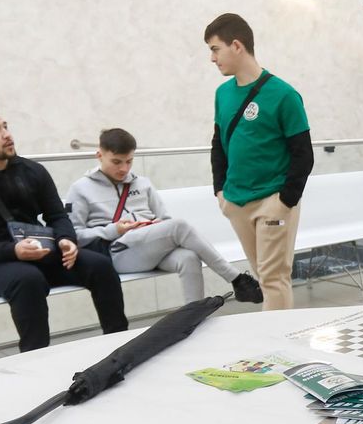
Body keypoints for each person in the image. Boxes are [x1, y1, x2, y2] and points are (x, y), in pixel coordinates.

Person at [0, 107, 128, 352]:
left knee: (99, 265)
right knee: (28, 280)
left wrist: (66, 240)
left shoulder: (32, 171)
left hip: (42, 254)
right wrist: (14, 251)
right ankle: (35, 358)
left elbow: (57, 215)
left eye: (5, 126)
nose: (6, 134)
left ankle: (120, 347)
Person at [66, 128, 263, 305]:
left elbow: (165, 220)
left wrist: (156, 226)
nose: (124, 169)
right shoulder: (80, 189)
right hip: (117, 253)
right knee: (179, 225)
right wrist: (114, 229)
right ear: (99, 155)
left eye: (129, 161)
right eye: (116, 162)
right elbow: (74, 236)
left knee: (188, 257)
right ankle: (236, 279)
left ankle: (194, 316)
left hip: (150, 246)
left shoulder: (142, 183)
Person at [206, 13, 314, 309]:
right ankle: (273, 340)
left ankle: (277, 348)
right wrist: (220, 192)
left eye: (215, 49)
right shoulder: (222, 94)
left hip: (272, 200)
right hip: (237, 201)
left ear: (236, 46)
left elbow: (303, 154)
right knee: (263, 276)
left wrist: (285, 201)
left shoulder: (283, 95)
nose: (212, 58)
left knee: (273, 276)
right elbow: (218, 145)